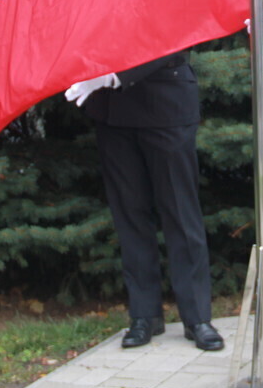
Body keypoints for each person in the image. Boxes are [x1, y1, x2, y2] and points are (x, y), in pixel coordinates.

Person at [66, 50, 224, 351]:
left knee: (180, 213)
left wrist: (116, 75)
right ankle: (144, 315)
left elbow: (173, 34)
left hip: (167, 100)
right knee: (130, 216)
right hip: (112, 108)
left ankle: (197, 318)